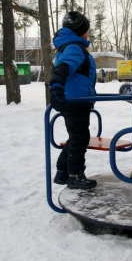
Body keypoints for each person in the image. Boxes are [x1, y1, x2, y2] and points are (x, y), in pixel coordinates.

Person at [49, 11, 97, 189]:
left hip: (75, 99)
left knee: (76, 137)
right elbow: (63, 68)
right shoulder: (75, 48)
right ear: (80, 30)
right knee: (80, 138)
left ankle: (63, 171)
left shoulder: (68, 46)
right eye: (87, 30)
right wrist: (55, 86)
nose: (88, 33)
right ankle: (75, 175)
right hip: (76, 101)